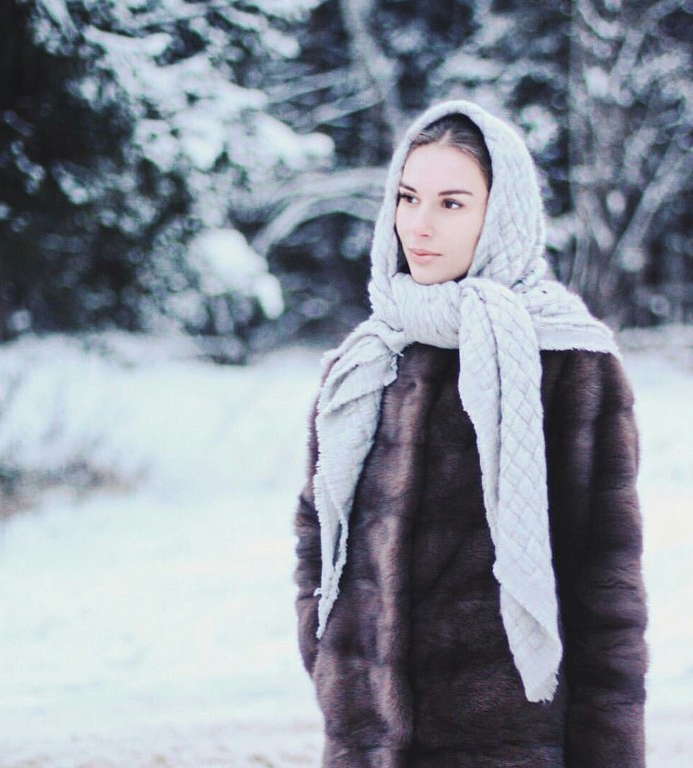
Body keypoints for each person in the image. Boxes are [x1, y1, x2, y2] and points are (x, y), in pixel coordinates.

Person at [294, 100, 647, 767]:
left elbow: (606, 594)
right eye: (407, 198)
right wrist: (329, 653)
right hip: (368, 743)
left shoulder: (568, 362)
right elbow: (316, 534)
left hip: (510, 745)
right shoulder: (366, 361)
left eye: (451, 203)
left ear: (502, 214)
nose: (419, 225)